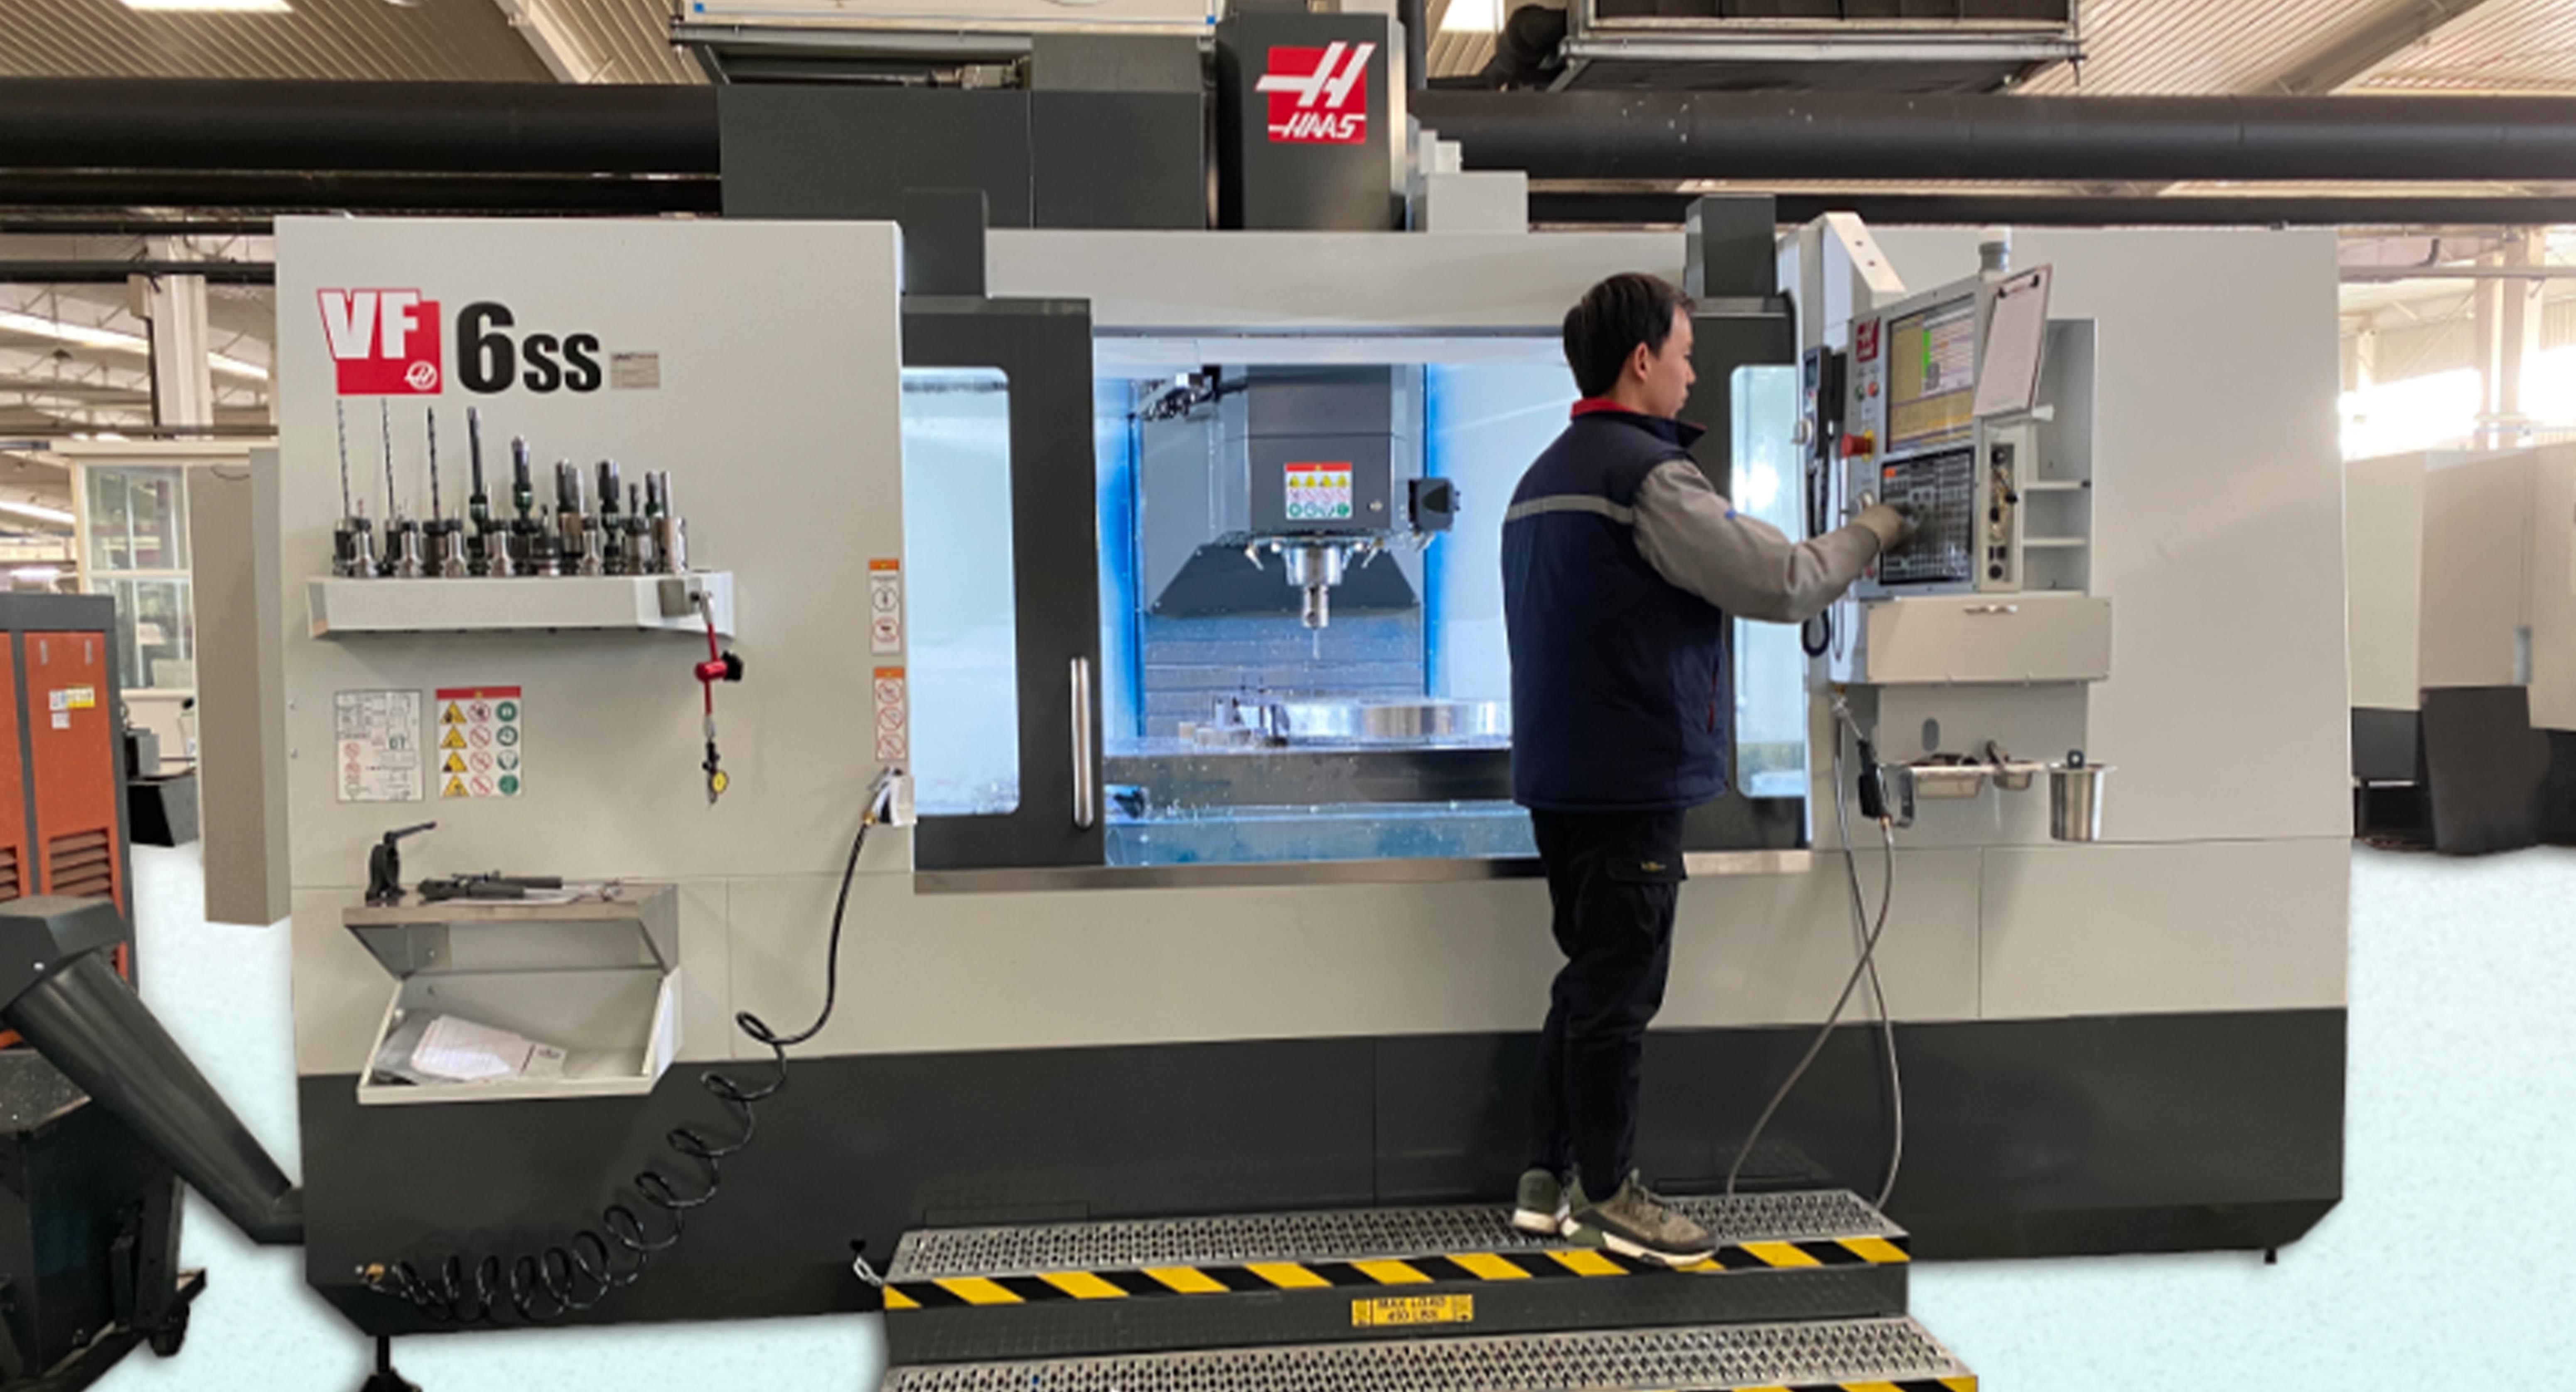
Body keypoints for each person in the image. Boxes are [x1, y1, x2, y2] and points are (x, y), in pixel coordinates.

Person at [1501, 272, 1913, 1267]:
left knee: (1587, 980)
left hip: (1563, 779)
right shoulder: (1646, 477)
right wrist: (1878, 531)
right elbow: (1781, 581)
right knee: (1620, 995)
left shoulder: (1541, 475)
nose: (1691, 378)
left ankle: (1547, 1180)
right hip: (1630, 780)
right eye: (1684, 358)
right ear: (1640, 360)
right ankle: (1611, 1196)